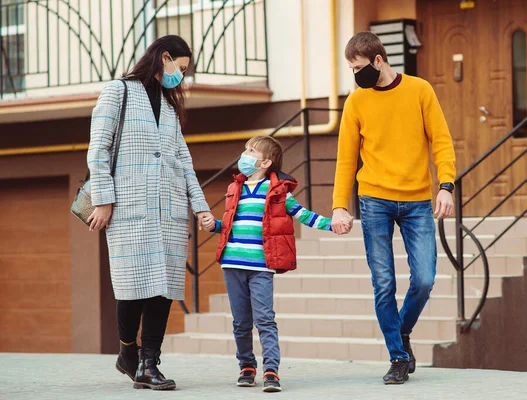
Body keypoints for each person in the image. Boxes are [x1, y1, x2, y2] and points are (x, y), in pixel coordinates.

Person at [86, 35, 213, 390]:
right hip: (130, 206)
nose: (181, 77)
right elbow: (99, 147)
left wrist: (200, 207)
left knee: (164, 290)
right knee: (131, 288)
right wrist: (103, 199)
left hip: (169, 211)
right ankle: (128, 350)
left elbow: (183, 161)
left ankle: (149, 363)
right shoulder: (119, 91)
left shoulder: (170, 108)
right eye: (181, 68)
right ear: (165, 57)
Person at [331, 32, 456, 385]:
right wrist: (341, 205)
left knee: (425, 280)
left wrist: (446, 185)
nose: (356, 75)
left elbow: (442, 142)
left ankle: (401, 331)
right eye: (351, 69)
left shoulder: (420, 90)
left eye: (358, 68)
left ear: (379, 61)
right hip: (374, 200)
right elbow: (345, 159)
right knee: (383, 283)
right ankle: (398, 356)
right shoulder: (356, 102)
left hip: (417, 200)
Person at [201, 136, 347, 392]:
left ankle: (271, 371)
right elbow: (231, 226)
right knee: (240, 322)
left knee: (265, 319)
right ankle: (247, 366)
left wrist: (332, 224)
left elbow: (304, 215)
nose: (244, 153)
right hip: (232, 263)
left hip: (261, 267)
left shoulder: (278, 193)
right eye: (245, 148)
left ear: (266, 161)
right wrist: (214, 225)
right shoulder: (235, 189)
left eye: (251, 150)